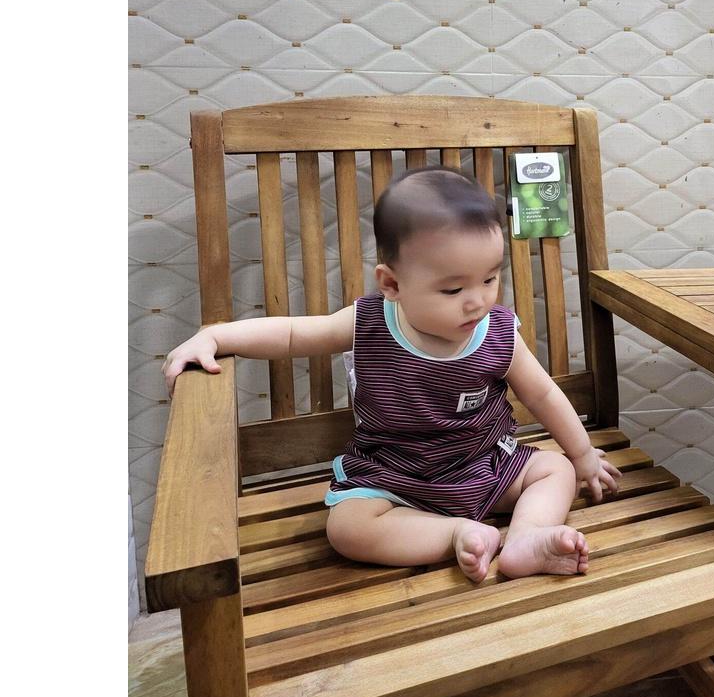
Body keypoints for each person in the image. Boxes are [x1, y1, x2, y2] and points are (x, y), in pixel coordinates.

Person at [162, 165, 622, 584]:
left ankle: (526, 537)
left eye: (489, 279)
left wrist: (582, 455)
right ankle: (457, 534)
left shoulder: (498, 333)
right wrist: (216, 336)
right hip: (393, 476)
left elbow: (542, 395)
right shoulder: (369, 323)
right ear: (393, 284)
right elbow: (291, 335)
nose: (478, 301)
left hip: (485, 465)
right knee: (347, 528)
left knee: (555, 470)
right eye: (453, 288)